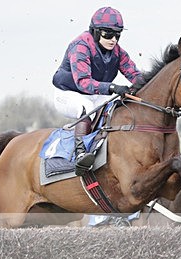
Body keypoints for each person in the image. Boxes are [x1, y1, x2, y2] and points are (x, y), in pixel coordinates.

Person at [52, 6, 143, 171]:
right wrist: (113, 87)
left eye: (117, 34)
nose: (113, 39)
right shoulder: (80, 46)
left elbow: (135, 75)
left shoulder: (118, 52)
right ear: (94, 31)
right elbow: (83, 83)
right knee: (87, 108)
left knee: (116, 108)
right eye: (108, 34)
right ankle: (80, 154)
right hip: (68, 94)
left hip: (94, 94)